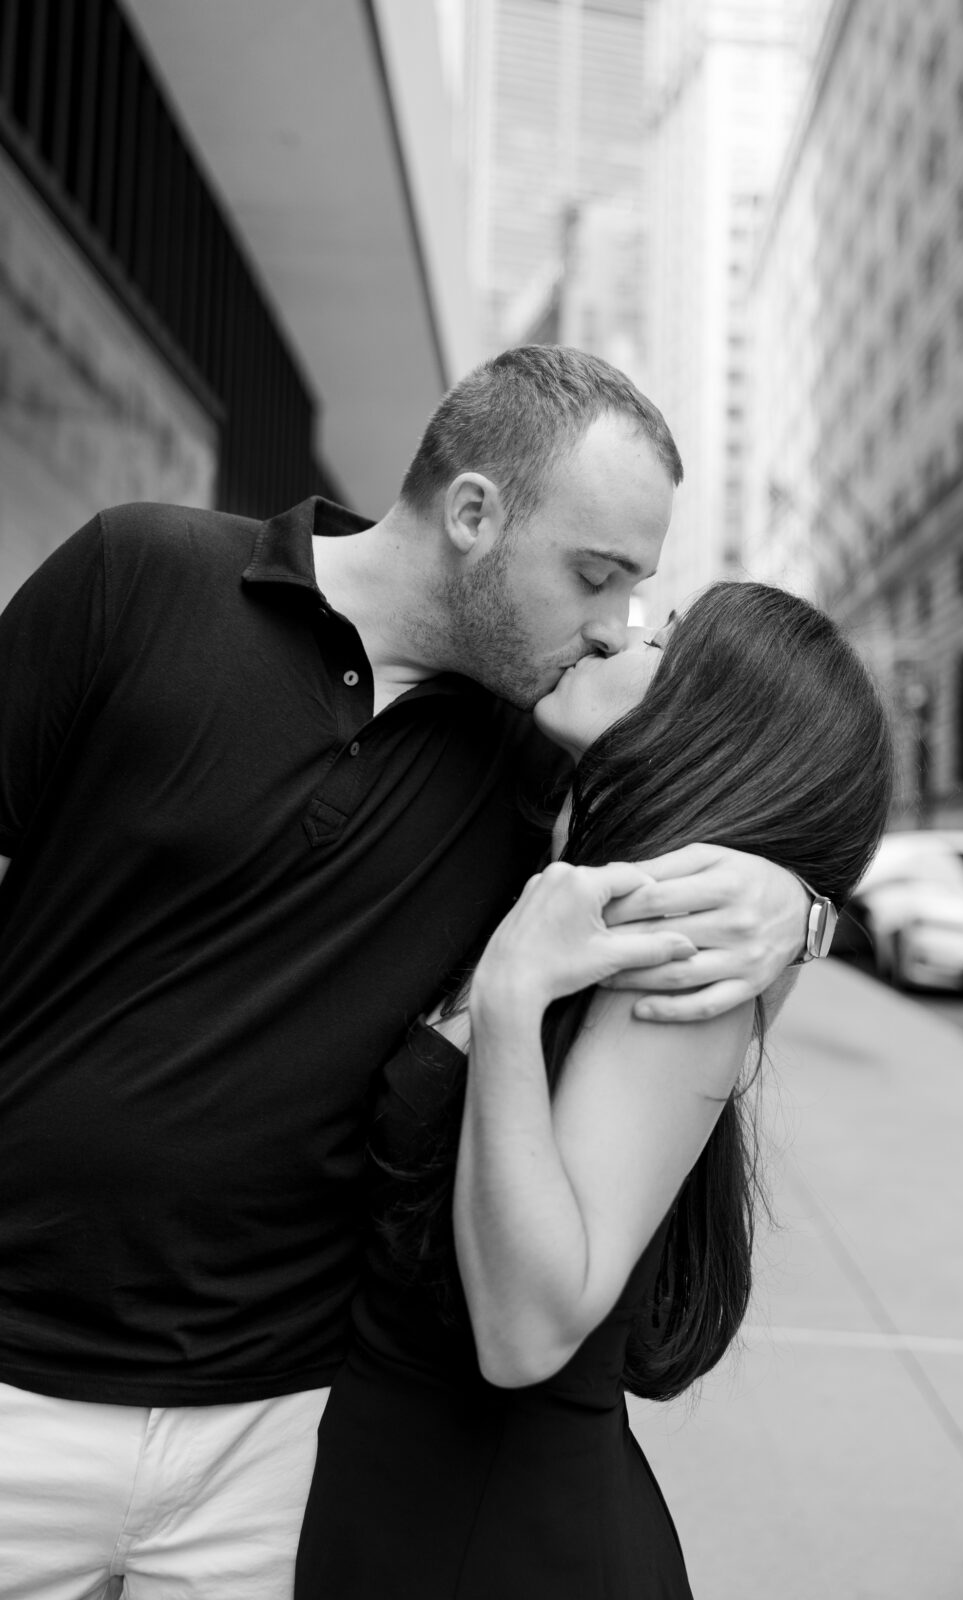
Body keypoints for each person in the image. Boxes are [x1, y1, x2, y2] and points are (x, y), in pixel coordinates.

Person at [0, 347, 813, 1599]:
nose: (610, 625)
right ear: (474, 513)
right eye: (593, 576)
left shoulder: (538, 758)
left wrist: (798, 905)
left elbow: (741, 791)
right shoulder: (137, 576)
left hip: (279, 1433)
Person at [294, 580, 895, 1598]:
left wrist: (513, 995)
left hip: (495, 1539)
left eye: (657, 639)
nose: (616, 630)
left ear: (708, 724)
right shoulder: (558, 863)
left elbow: (527, 1331)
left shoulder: (672, 956)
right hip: (391, 1498)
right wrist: (807, 914)